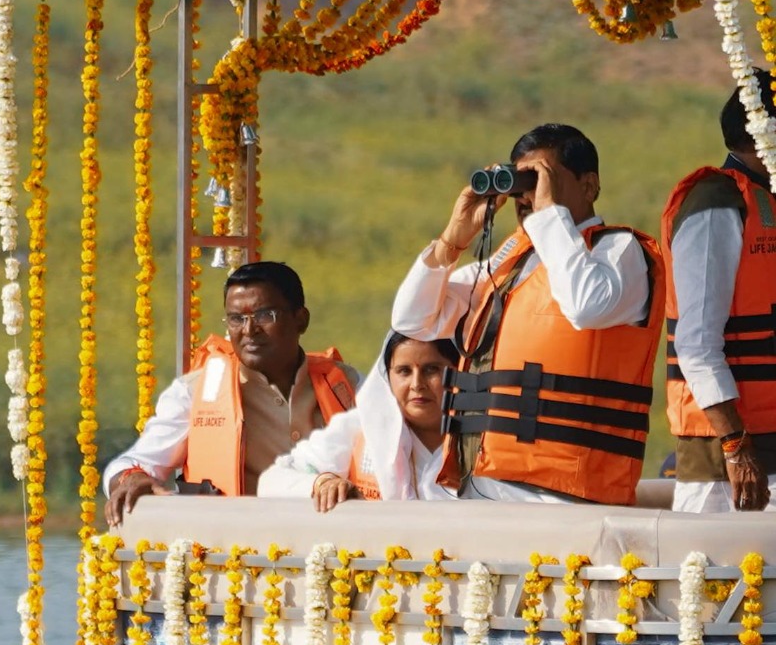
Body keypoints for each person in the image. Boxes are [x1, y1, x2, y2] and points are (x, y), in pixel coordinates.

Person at [391, 122, 665, 504]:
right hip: (483, 486)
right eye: (521, 182)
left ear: (589, 186)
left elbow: (585, 306)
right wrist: (453, 239)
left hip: (567, 497)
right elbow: (411, 319)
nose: (528, 196)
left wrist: (549, 214)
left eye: (540, 179)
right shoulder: (510, 265)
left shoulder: (620, 252)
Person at [104, 260, 359, 525]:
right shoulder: (194, 392)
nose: (249, 330)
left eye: (264, 315)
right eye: (237, 319)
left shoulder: (347, 384)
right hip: (234, 552)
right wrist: (130, 478)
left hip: (334, 549)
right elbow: (131, 464)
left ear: (301, 319)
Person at [662, 79, 776, 514]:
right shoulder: (715, 200)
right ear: (762, 133)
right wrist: (736, 447)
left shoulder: (768, 198)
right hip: (727, 468)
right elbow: (696, 344)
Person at [258, 332, 458, 507]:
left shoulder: (483, 438)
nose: (417, 384)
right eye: (404, 371)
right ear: (387, 377)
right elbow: (271, 481)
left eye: (431, 369)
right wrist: (323, 483)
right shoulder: (361, 428)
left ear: (458, 372)